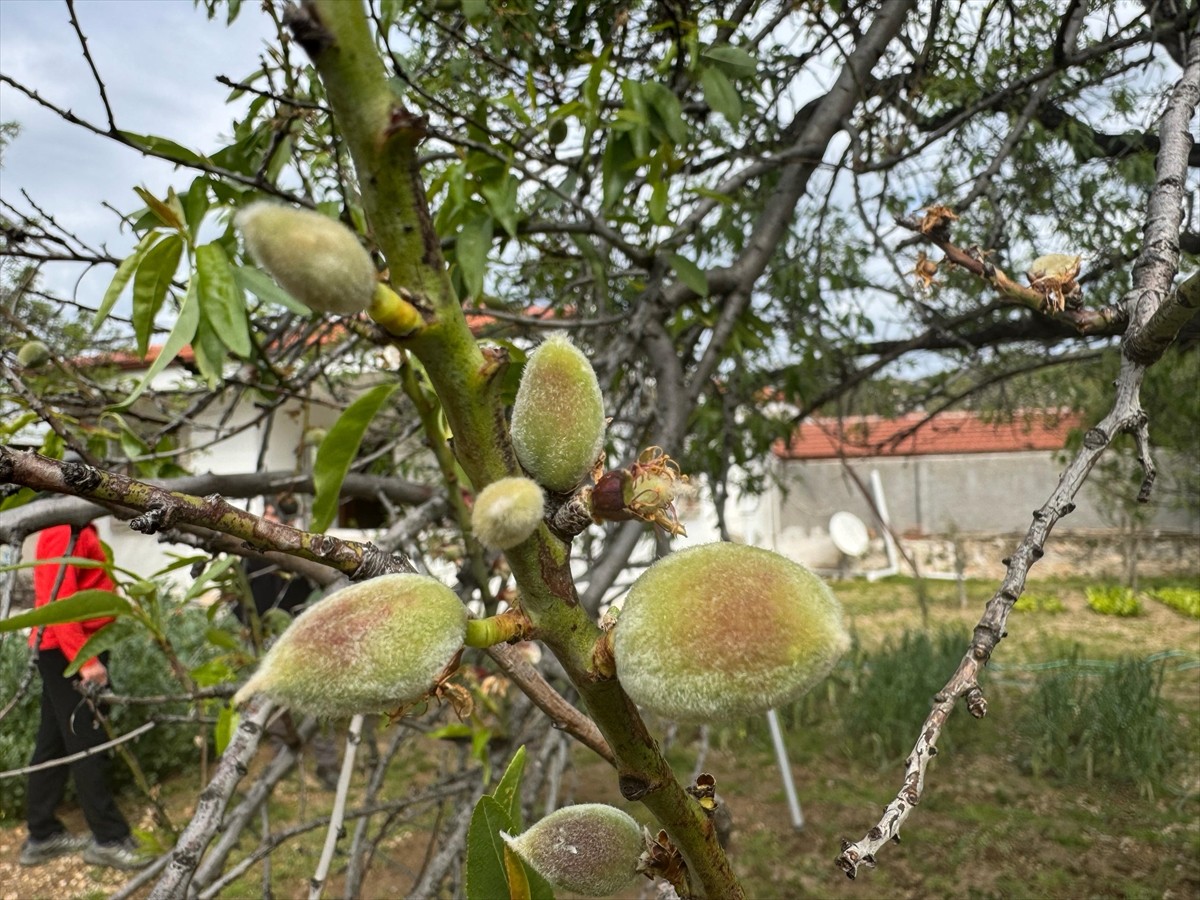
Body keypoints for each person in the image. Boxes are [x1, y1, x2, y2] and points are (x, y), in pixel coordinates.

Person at [20, 522, 148, 870]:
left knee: (55, 742)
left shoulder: (77, 525)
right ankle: (108, 839)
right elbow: (59, 603)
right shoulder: (63, 530)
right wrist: (86, 661)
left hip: (68, 650)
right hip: (68, 652)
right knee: (87, 741)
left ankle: (42, 834)